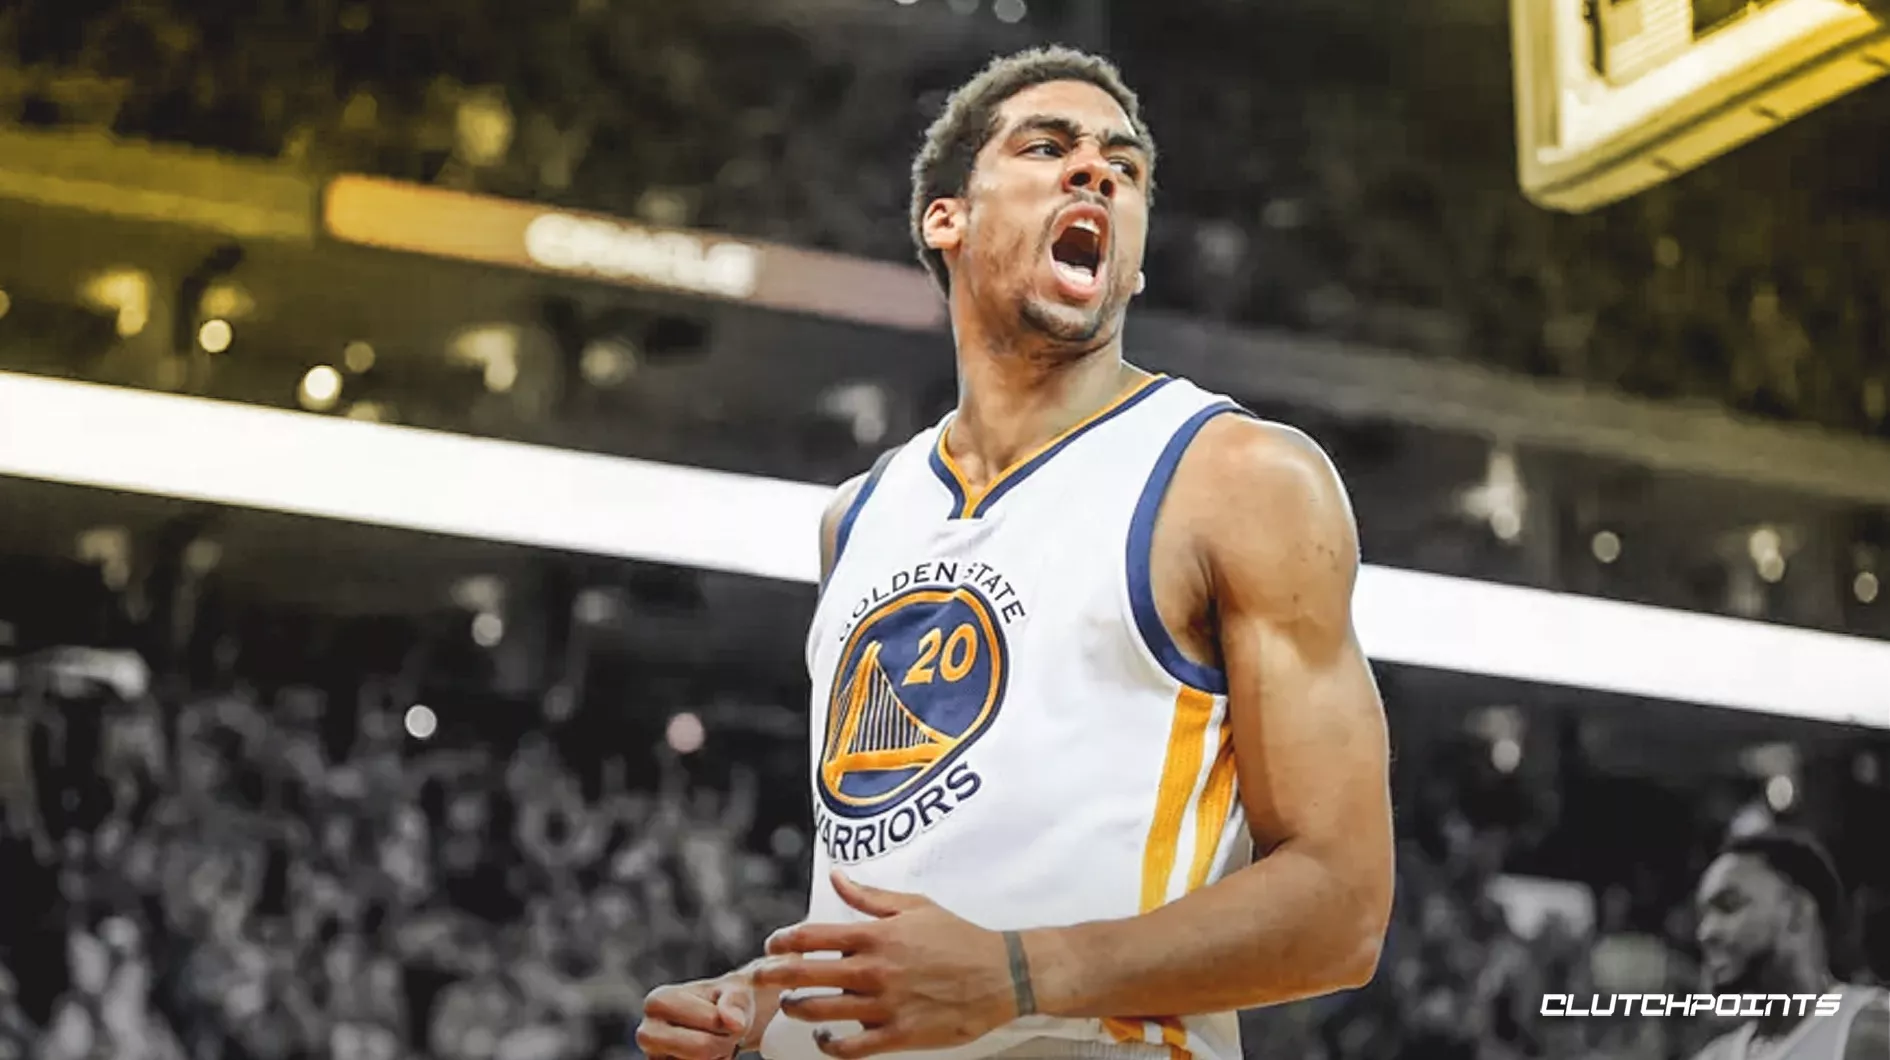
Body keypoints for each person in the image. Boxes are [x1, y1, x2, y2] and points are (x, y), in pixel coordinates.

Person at [637, 45, 1394, 1060]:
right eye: (1047, 147)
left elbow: (1344, 907)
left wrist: (1023, 974)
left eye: (1124, 168)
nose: (1095, 172)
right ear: (945, 219)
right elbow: (920, 883)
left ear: (1133, 261)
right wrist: (771, 1002)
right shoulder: (857, 518)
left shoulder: (1238, 477)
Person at [1690, 829, 1889, 1060]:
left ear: (1797, 913)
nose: (1705, 933)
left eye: (1729, 906)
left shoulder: (1873, 1031)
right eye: (1702, 916)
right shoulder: (1714, 1055)